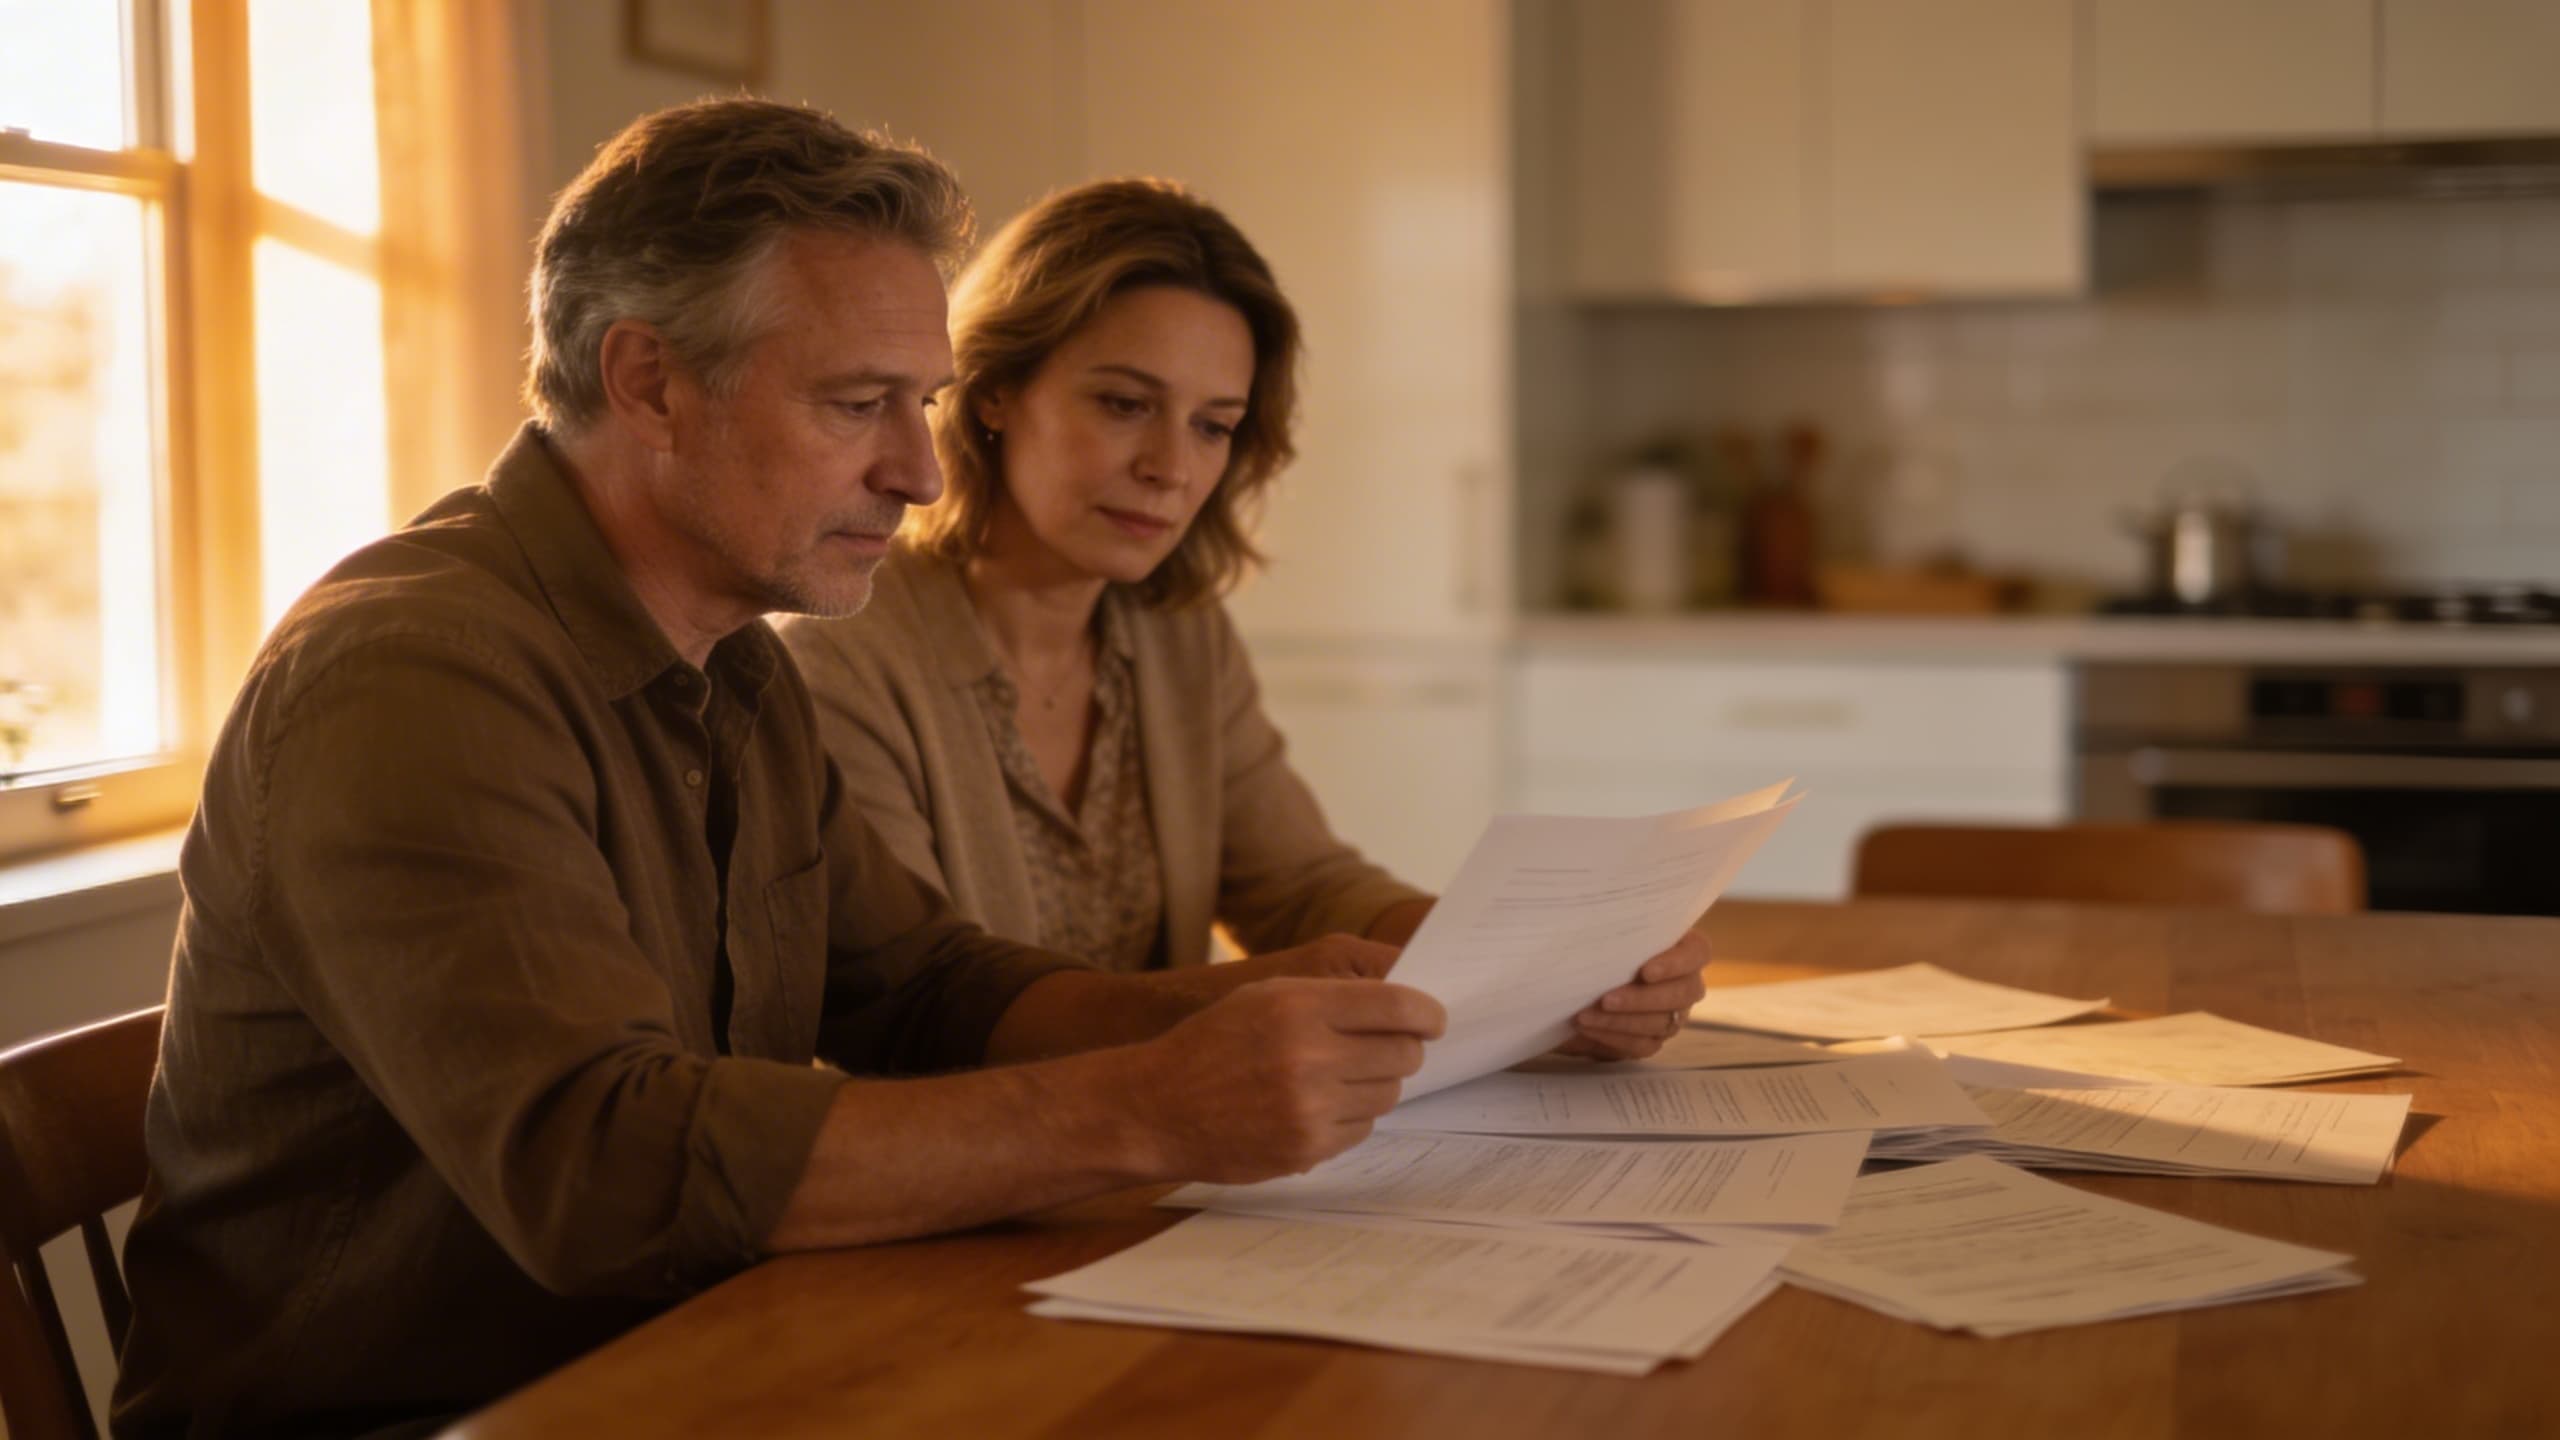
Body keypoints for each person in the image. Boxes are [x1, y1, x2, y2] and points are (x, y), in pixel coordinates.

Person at [110, 101, 1451, 1439]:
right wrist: (1157, 1108)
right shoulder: (413, 675)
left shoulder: (733, 655)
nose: (923, 473)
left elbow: (922, 990)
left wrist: (1267, 1004)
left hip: (676, 1367)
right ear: (648, 384)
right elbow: (607, 1169)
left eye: (917, 405)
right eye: (859, 405)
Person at [777, 179, 1709, 1058]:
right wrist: (1258, 995)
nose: (1171, 467)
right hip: (969, 1186)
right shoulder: (841, 657)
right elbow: (919, 1013)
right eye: (1125, 404)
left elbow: (1302, 888)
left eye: (1213, 425)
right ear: (994, 392)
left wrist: (1548, 966)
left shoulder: (1174, 629)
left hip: (1163, 1161)